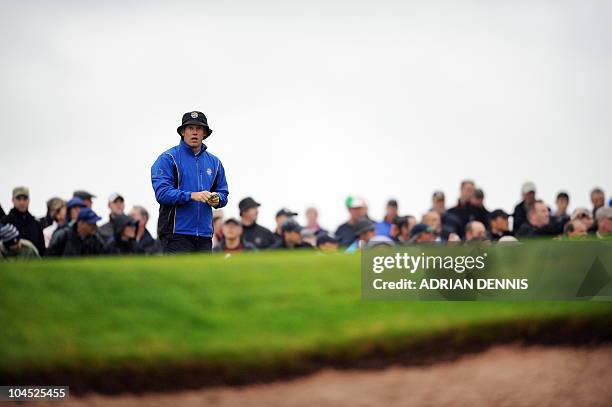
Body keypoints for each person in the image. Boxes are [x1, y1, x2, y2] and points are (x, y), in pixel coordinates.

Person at [151, 111, 229, 253]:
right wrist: (192, 195)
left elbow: (223, 194)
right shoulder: (168, 158)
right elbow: (162, 193)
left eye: (199, 129)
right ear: (182, 132)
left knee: (204, 276)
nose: (195, 132)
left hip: (205, 234)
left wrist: (217, 199)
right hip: (175, 233)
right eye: (190, 128)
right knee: (177, 276)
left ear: (204, 133)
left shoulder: (215, 163)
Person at [2, 186, 45, 256]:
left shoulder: (36, 223)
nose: (22, 202)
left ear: (29, 200)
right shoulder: (4, 222)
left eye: (25, 199)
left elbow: (42, 250)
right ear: (13, 200)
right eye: (18, 199)